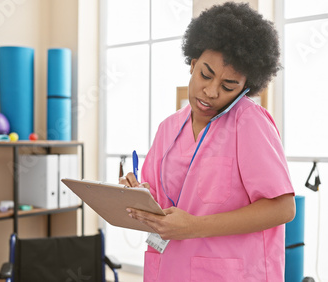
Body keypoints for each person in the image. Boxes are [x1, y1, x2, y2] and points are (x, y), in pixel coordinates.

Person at [121, 2, 295, 281]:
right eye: (205, 74)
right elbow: (162, 199)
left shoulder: (249, 122)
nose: (211, 92)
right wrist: (138, 196)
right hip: (169, 269)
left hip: (230, 273)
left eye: (228, 86)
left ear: (246, 87)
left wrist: (194, 227)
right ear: (192, 64)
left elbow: (283, 208)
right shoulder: (168, 128)